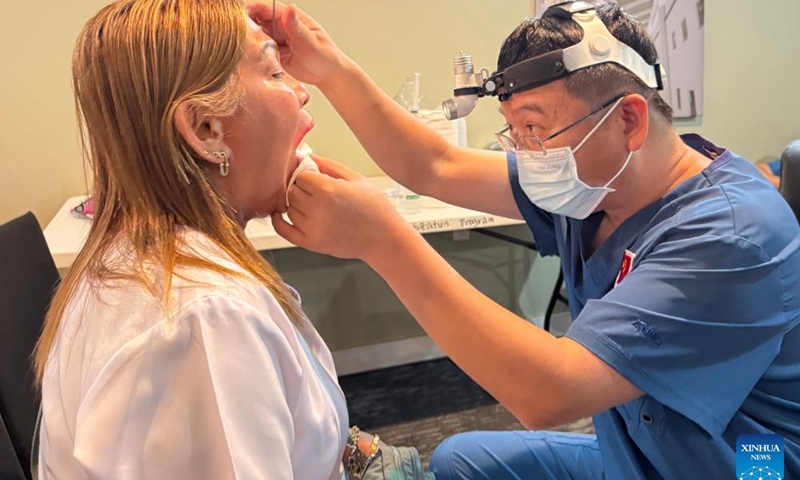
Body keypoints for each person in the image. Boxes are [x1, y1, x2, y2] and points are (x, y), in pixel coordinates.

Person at [251, 1, 800, 478]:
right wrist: (330, 67)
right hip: (643, 442)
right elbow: (434, 164)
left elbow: (550, 392)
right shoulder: (592, 186)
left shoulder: (732, 235)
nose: (526, 152)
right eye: (515, 131)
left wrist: (383, 241)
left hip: (748, 458)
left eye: (535, 130)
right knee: (458, 459)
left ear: (628, 120)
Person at [34, 0, 416, 478]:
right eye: (277, 73)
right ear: (205, 129)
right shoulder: (206, 323)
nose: (302, 93)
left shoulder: (130, 257)